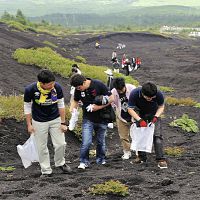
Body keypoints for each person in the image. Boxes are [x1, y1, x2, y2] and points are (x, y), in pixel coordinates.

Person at [24, 69, 72, 177]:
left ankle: (60, 163)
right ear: (42, 83)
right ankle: (46, 170)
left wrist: (63, 122)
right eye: (50, 84)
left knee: (61, 144)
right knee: (41, 147)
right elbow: (27, 107)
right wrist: (29, 124)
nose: (52, 85)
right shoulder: (30, 89)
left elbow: (61, 105)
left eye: (53, 83)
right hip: (39, 121)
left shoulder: (57, 87)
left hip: (55, 119)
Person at [70, 74, 114, 169]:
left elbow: (111, 98)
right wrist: (73, 111)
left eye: (79, 87)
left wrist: (98, 107)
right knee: (86, 141)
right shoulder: (78, 90)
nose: (78, 89)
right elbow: (75, 100)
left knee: (100, 141)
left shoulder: (98, 85)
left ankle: (101, 159)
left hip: (102, 118)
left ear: (84, 82)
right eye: (76, 88)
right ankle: (83, 161)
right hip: (88, 118)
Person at [128, 82, 168, 169]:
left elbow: (161, 107)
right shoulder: (135, 93)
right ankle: (141, 157)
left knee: (157, 137)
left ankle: (160, 159)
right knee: (140, 136)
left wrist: (156, 117)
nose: (150, 99)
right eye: (147, 97)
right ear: (142, 93)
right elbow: (130, 109)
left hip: (154, 114)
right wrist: (139, 120)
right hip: (139, 114)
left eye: (152, 97)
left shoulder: (158, 94)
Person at [111, 78, 136, 159]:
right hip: (122, 116)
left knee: (136, 135)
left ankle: (138, 151)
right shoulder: (113, 92)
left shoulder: (132, 89)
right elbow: (112, 105)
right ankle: (127, 151)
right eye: (118, 90)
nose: (121, 92)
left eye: (122, 89)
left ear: (124, 85)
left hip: (134, 116)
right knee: (123, 136)